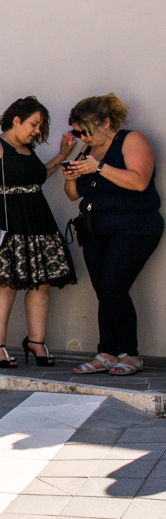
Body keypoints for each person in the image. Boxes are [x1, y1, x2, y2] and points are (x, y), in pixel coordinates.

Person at [0, 97, 78, 369]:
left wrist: (62, 155)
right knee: (6, 283)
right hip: (3, 223)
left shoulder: (26, 149)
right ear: (16, 120)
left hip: (35, 221)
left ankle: (36, 342)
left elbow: (38, 176)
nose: (37, 130)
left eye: (40, 126)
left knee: (41, 282)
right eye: (34, 124)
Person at [63, 94, 161, 376]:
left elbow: (140, 181)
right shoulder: (87, 151)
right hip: (94, 228)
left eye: (86, 130)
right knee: (103, 291)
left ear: (106, 123)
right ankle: (106, 352)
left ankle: (130, 353)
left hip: (134, 226)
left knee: (113, 287)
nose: (82, 137)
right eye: (77, 131)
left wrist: (100, 168)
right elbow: (73, 195)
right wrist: (70, 177)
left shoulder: (132, 140)